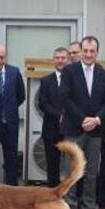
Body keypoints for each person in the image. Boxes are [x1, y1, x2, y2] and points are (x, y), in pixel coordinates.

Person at [59, 35, 105, 209]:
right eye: (86, 51)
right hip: (74, 128)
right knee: (71, 171)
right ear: (81, 51)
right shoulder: (69, 71)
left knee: (91, 173)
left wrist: (96, 119)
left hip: (95, 131)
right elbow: (65, 98)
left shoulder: (103, 74)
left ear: (97, 52)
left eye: (92, 51)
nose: (89, 54)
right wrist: (82, 119)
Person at [0, 44, 25, 185]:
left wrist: (9, 109)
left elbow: (21, 95)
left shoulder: (14, 72)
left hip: (10, 125)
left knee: (11, 161)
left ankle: (12, 193)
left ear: (6, 57)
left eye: (1, 57)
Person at [37, 47, 68, 187]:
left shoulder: (74, 80)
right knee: (52, 166)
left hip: (71, 130)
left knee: (72, 165)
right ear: (53, 60)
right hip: (51, 130)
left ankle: (73, 197)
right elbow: (42, 103)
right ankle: (52, 196)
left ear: (67, 60)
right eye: (58, 58)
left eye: (63, 58)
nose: (60, 60)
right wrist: (59, 115)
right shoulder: (46, 81)